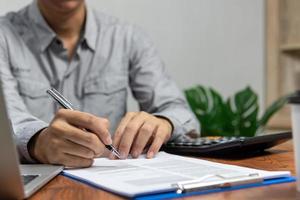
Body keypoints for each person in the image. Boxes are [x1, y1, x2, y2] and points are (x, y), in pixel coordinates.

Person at [0, 0, 199, 168]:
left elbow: (179, 112)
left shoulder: (127, 37)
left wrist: (164, 122)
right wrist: (38, 142)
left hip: (113, 181)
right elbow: (6, 121)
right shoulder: (4, 36)